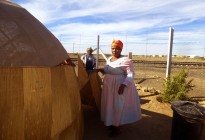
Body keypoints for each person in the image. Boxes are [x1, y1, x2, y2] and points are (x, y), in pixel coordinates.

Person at [97, 40, 141, 137]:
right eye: (113, 48)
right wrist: (101, 70)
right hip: (108, 87)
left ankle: (117, 127)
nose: (114, 50)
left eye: (117, 48)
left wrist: (124, 85)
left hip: (118, 86)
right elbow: (109, 70)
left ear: (121, 49)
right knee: (109, 105)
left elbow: (131, 74)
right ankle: (110, 123)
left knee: (117, 106)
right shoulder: (109, 59)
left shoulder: (126, 60)